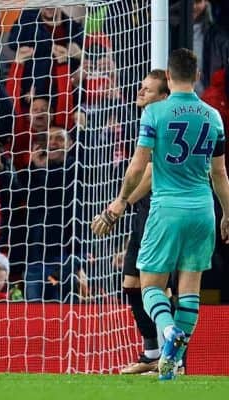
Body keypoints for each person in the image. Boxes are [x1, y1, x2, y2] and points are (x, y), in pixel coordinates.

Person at [92, 48, 229, 380]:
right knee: (189, 290)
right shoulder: (213, 116)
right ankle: (171, 366)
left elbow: (140, 165)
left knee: (150, 285)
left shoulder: (155, 114)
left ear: (168, 76)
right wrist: (227, 214)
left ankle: (167, 332)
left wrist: (120, 200)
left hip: (166, 208)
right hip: (203, 210)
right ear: (196, 76)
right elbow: (220, 173)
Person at [118, 70, 170, 374]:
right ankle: (151, 352)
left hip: (159, 213)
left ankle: (171, 356)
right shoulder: (141, 120)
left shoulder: (160, 123)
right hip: (143, 215)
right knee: (131, 284)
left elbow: (148, 172)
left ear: (164, 96)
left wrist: (118, 206)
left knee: (162, 288)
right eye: (141, 88)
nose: (141, 93)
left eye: (148, 90)